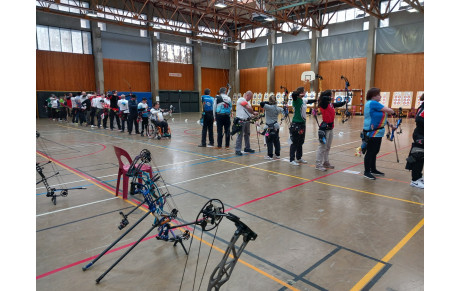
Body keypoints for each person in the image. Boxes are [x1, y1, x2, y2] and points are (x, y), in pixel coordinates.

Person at [362, 87, 394, 180]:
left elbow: (382, 116)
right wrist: (393, 112)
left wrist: (390, 124)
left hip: (378, 132)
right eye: (378, 95)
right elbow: (389, 110)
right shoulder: (373, 103)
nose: (380, 96)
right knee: (370, 152)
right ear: (373, 96)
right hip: (372, 132)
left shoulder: (376, 104)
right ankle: (367, 172)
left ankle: (373, 169)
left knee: (375, 152)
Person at [314, 90, 347, 171]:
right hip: (324, 128)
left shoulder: (330, 104)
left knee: (327, 147)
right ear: (328, 96)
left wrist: (345, 101)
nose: (332, 97)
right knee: (322, 147)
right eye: (331, 95)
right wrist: (328, 97)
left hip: (330, 128)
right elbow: (323, 99)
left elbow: (338, 104)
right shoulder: (323, 104)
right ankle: (318, 164)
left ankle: (326, 162)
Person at [289, 87, 316, 166]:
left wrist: (316, 100)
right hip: (296, 124)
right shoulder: (296, 100)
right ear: (300, 92)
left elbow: (309, 101)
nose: (305, 93)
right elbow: (293, 94)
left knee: (300, 141)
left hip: (302, 124)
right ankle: (291, 159)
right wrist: (299, 94)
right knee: (295, 142)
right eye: (304, 92)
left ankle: (299, 157)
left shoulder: (303, 100)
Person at [406, 94, 424, 188]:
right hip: (420, 135)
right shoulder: (424, 106)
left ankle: (419, 177)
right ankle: (414, 180)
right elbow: (419, 119)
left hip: (423, 134)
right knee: (418, 157)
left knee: (422, 158)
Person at [259, 95, 284, 160]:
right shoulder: (278, 108)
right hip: (276, 127)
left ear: (270, 101)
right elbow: (284, 111)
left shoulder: (268, 107)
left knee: (269, 141)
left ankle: (270, 155)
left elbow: (261, 104)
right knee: (276, 140)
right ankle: (277, 154)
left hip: (268, 128)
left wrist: (268, 102)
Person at [234, 91, 258, 156]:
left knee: (247, 134)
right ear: (247, 95)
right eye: (250, 97)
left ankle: (247, 148)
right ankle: (237, 150)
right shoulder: (241, 99)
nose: (250, 99)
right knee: (240, 135)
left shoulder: (248, 102)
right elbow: (248, 108)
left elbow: (249, 113)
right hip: (241, 120)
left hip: (247, 120)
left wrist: (255, 116)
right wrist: (253, 113)